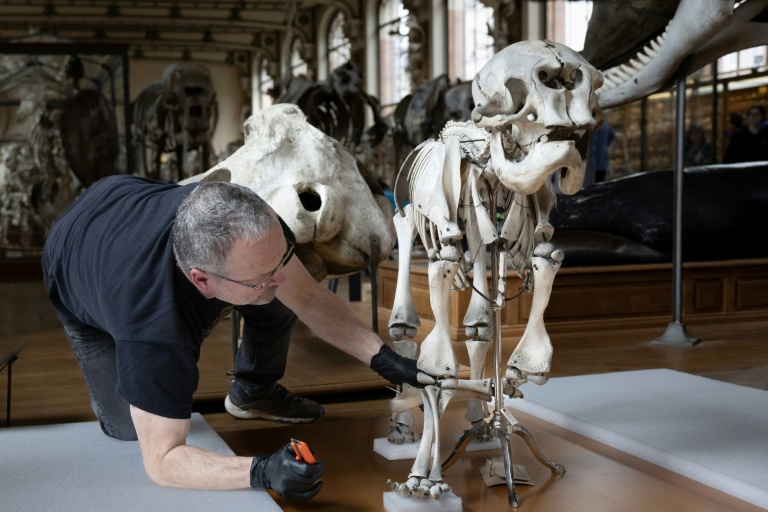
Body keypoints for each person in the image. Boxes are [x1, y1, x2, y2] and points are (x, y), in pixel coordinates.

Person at [42, 175, 420, 499]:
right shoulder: (153, 330)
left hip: (121, 194)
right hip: (71, 258)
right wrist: (261, 471)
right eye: (261, 274)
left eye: (279, 260)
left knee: (277, 296)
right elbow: (163, 461)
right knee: (129, 428)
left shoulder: (256, 230)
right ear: (201, 281)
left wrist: (381, 357)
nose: (281, 276)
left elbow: (306, 296)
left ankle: (255, 388)